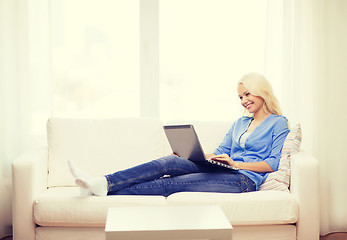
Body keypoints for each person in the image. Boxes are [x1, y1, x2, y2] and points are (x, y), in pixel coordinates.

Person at [68, 73, 290, 197]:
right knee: (170, 161)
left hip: (243, 179)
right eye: (240, 97)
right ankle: (103, 181)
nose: (243, 101)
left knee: (173, 183)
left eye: (247, 94)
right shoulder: (240, 122)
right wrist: (194, 155)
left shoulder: (278, 123)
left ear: (262, 91)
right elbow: (222, 152)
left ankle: (102, 189)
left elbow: (273, 164)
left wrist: (237, 164)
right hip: (225, 167)